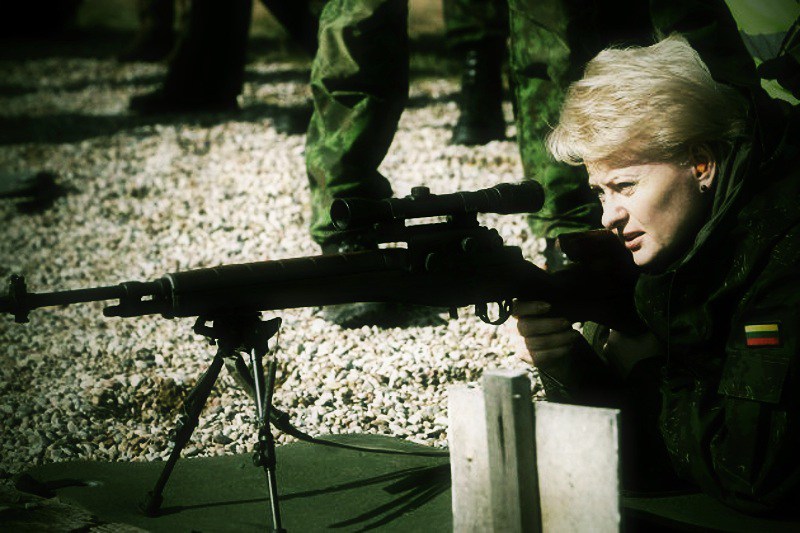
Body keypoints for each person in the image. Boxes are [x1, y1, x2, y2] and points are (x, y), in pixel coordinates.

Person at [513, 33, 800, 513]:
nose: (608, 215)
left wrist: (654, 366)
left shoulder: (784, 253)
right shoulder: (691, 236)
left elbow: (752, 479)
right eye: (601, 192)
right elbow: (635, 467)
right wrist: (566, 363)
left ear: (701, 162)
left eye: (625, 185)